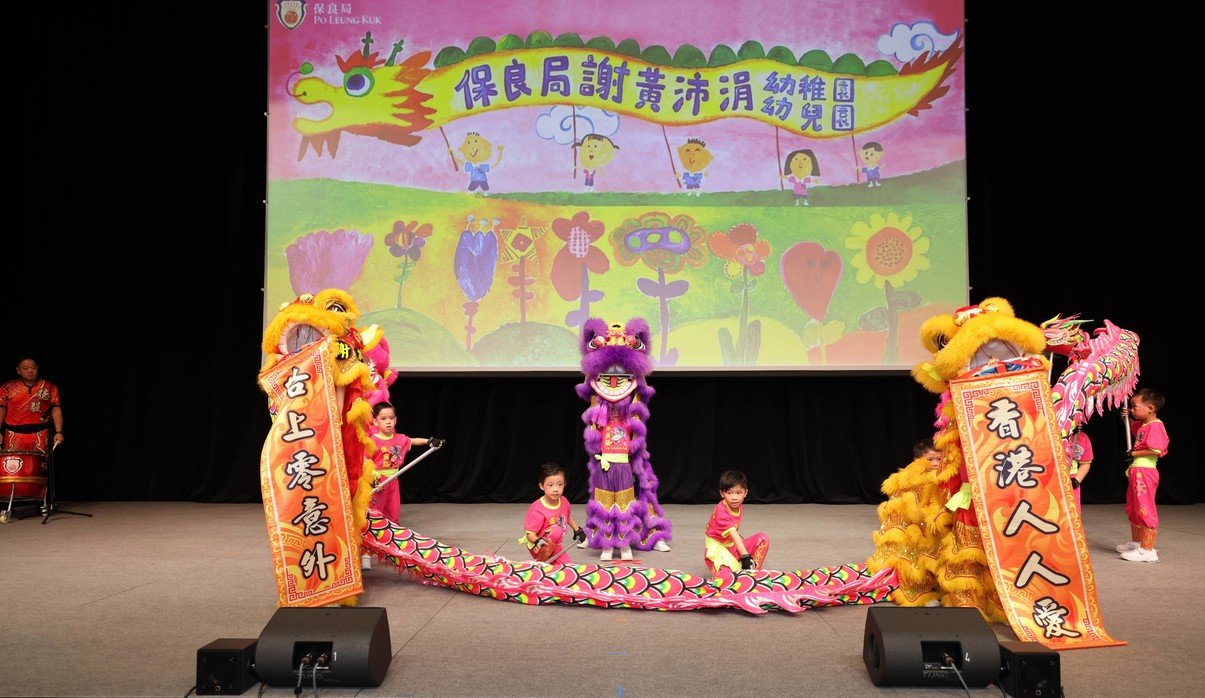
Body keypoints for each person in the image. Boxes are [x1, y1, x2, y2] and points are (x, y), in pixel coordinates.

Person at [866, 440, 951, 607]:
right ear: (917, 460)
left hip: (934, 527)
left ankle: (938, 586)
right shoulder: (910, 479)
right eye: (930, 459)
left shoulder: (944, 476)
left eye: (939, 459)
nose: (935, 463)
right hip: (911, 530)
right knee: (913, 560)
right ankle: (918, 593)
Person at [1117, 389, 1169, 562]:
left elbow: (1156, 450)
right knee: (1133, 506)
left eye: (1135, 406)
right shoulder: (1144, 425)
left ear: (1150, 408)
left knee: (1144, 507)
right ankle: (1137, 542)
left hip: (1145, 471)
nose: (1132, 409)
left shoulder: (1156, 426)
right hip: (1136, 469)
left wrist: (1133, 454)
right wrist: (1128, 418)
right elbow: (1136, 432)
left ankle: (1148, 550)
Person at [368, 401, 429, 524]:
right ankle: (376, 532)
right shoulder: (372, 441)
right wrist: (372, 477)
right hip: (378, 481)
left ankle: (393, 530)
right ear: (375, 422)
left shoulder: (400, 438)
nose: (388, 422)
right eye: (383, 419)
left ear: (395, 420)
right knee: (376, 510)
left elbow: (412, 441)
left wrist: (429, 441)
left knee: (393, 509)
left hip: (393, 479)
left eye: (391, 418)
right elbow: (364, 461)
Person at [703, 469, 769, 576]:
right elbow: (734, 534)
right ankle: (738, 568)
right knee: (728, 580)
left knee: (762, 538)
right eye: (729, 493)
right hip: (717, 551)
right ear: (722, 493)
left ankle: (753, 573)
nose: (734, 498)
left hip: (732, 547)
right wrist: (745, 557)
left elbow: (735, 535)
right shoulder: (721, 510)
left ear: (745, 493)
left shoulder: (738, 506)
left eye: (738, 493)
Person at [520, 462, 585, 564]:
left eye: (559, 485)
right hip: (538, 545)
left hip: (556, 546)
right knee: (556, 530)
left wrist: (577, 530)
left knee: (567, 567)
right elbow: (530, 534)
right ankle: (541, 560)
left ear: (564, 485)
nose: (555, 489)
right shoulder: (536, 509)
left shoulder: (564, 501)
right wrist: (538, 541)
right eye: (550, 485)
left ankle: (550, 561)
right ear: (542, 486)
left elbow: (566, 516)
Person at [0, 356, 64, 454]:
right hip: (13, 435)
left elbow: (55, 410)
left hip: (40, 434)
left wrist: (58, 432)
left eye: (33, 367)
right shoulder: (7, 388)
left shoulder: (49, 387)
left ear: (37, 368)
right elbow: (1, 410)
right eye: (25, 368)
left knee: (39, 463)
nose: (30, 371)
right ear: (18, 370)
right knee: (15, 462)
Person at [448, 131, 504, 196]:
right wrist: (452, 155)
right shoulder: (470, 165)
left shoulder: (483, 166)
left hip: (483, 180)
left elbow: (495, 164)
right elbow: (460, 162)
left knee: (485, 187)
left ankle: (485, 192)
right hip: (474, 180)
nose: (472, 148)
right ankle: (473, 191)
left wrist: (500, 152)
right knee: (472, 187)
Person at [1066, 427, 1093, 513]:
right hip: (1050, 477)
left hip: (1070, 479)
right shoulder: (1047, 434)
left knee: (1072, 512)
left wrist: (1076, 481)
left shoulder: (1082, 438)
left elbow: (1085, 463)